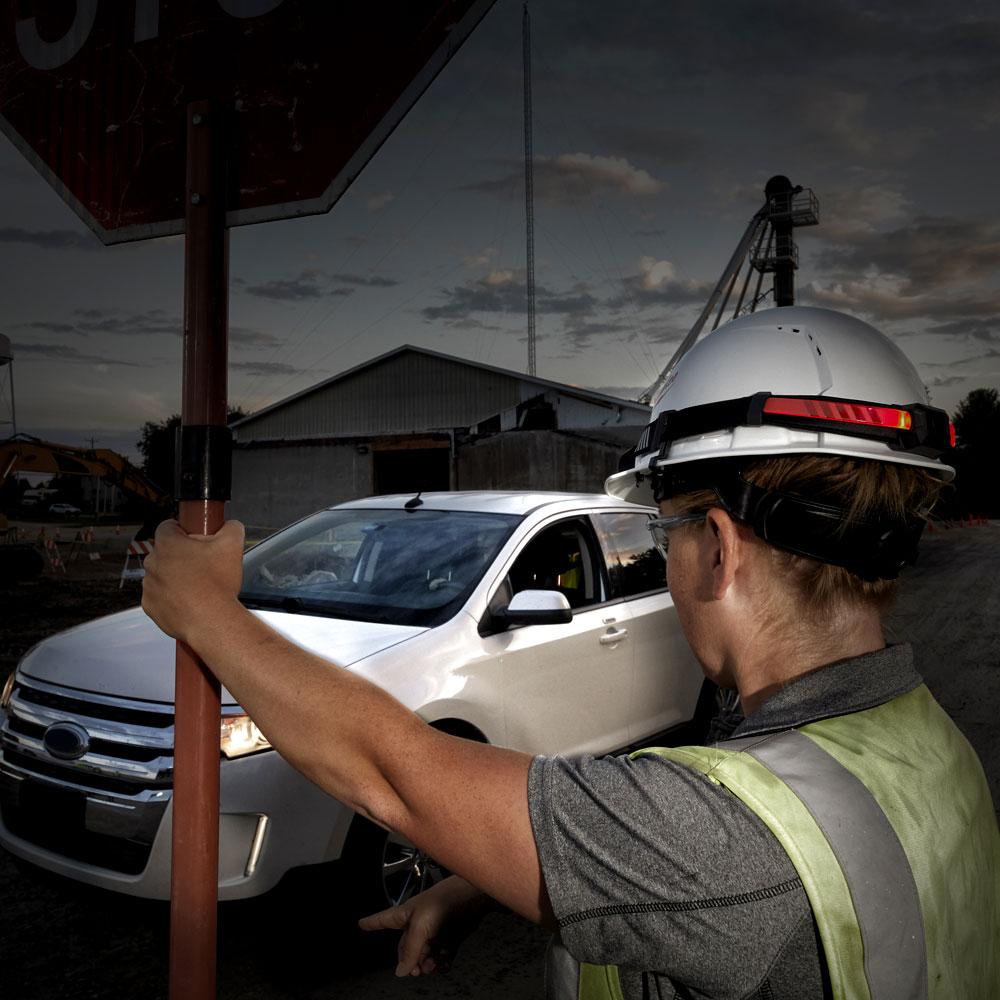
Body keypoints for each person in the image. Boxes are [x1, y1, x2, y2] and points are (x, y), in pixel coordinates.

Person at [141, 306, 1000, 998]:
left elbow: (392, 771)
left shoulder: (724, 840)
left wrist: (207, 612)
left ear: (722, 551)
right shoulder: (926, 747)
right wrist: (484, 878)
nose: (666, 558)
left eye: (668, 533)